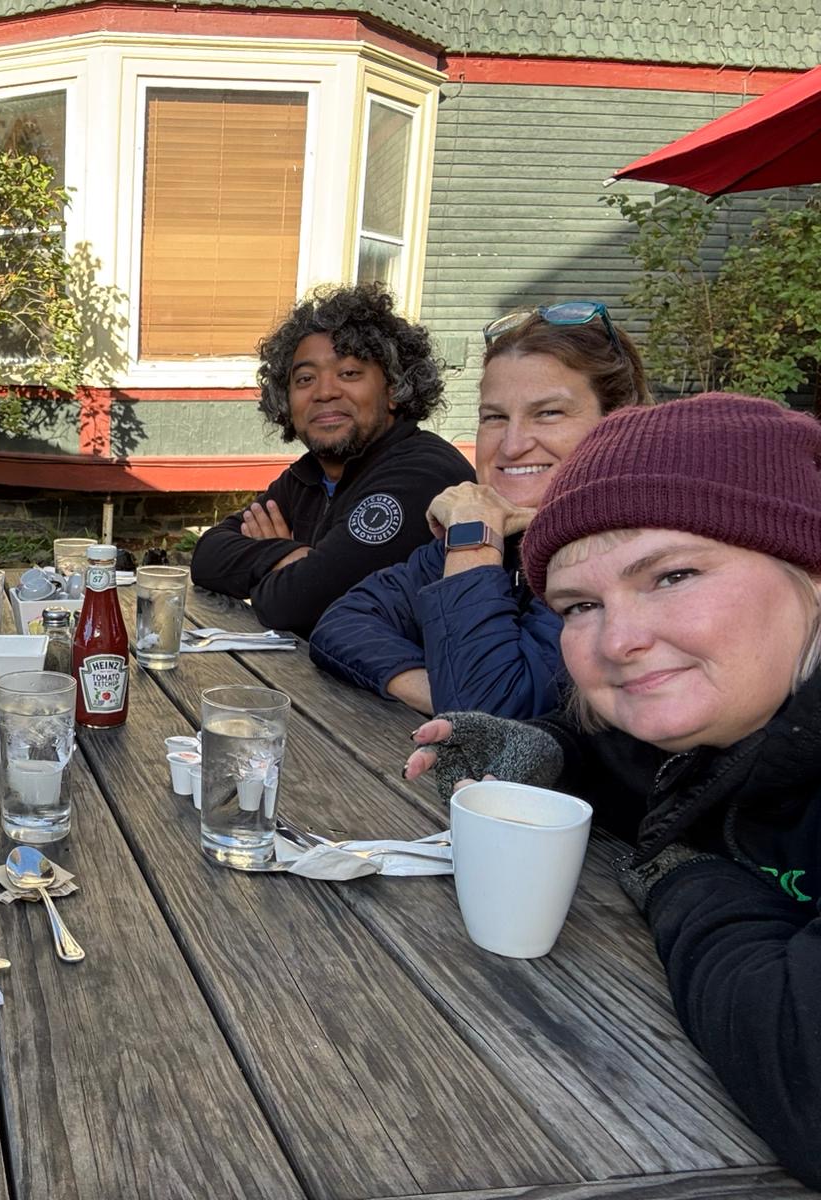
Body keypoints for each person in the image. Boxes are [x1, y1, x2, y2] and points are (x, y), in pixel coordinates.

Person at [403, 393, 821, 1188]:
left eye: (673, 574)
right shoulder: (721, 718)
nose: (620, 640)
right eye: (581, 605)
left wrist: (683, 876)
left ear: (807, 566)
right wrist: (546, 756)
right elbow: (625, 765)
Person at [310, 303, 650, 716]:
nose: (512, 444)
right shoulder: (504, 531)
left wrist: (473, 540)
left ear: (618, 425)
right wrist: (441, 690)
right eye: (494, 417)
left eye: (548, 413)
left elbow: (489, 708)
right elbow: (343, 623)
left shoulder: (624, 554)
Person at [190, 283, 474, 635]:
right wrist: (293, 556)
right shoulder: (307, 476)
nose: (325, 392)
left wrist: (280, 566)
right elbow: (207, 557)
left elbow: (295, 605)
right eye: (305, 379)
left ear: (394, 388)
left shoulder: (423, 474)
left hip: (397, 689)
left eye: (349, 373)